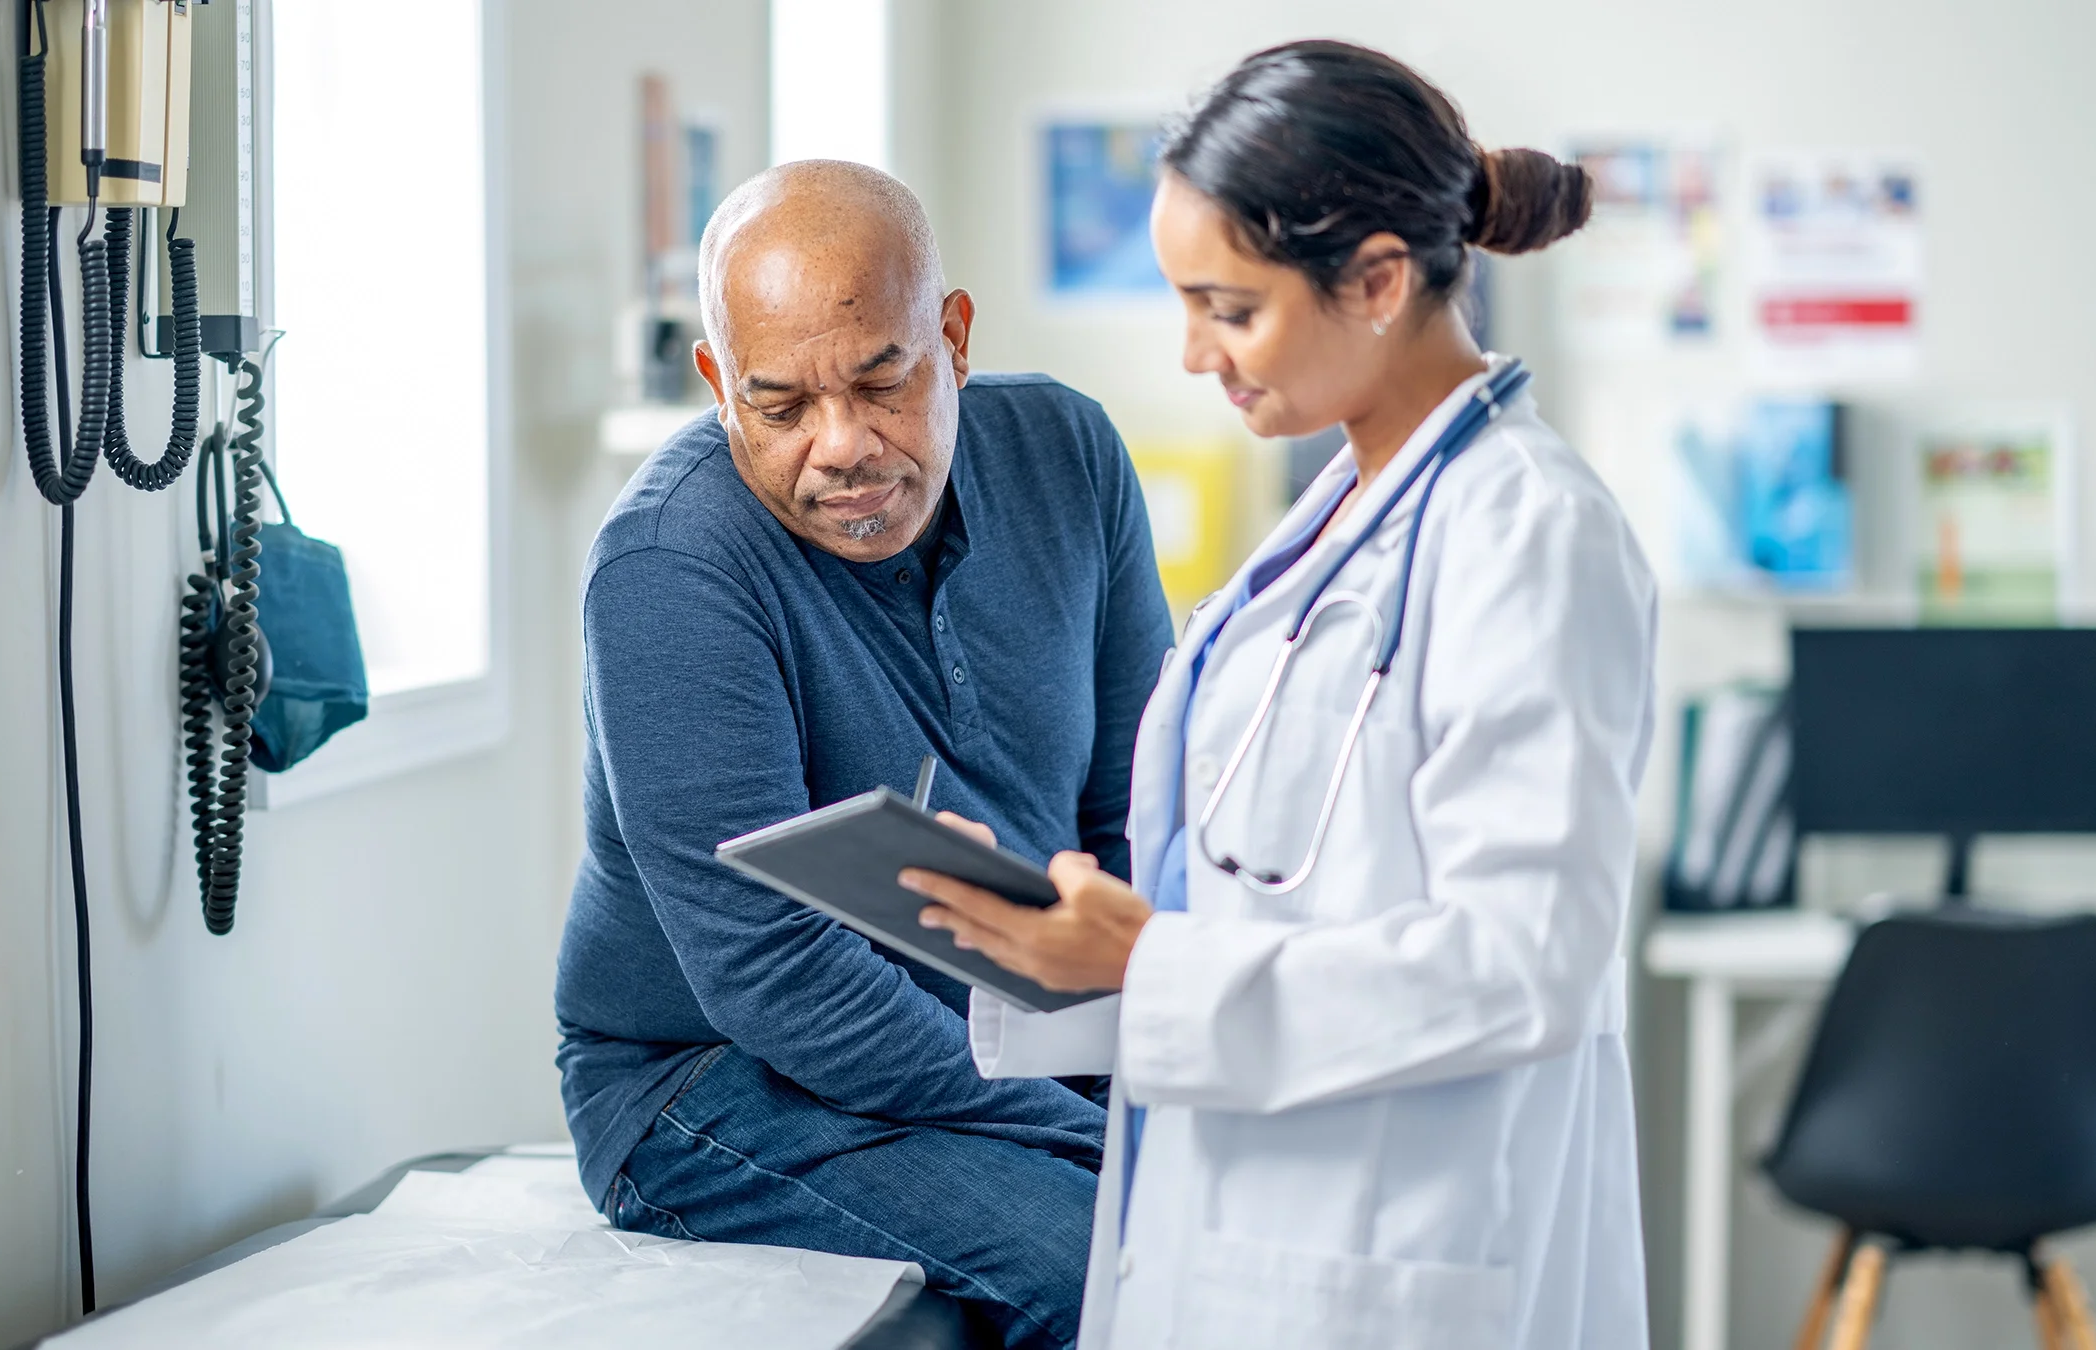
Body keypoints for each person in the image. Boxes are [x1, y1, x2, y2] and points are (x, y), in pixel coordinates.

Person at [901, 41, 1656, 1350]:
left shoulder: (1529, 531)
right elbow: (1258, 900)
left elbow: (1525, 959)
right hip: (1246, 1227)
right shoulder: (1335, 522)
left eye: (1229, 308)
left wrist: (1152, 962)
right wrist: (1051, 942)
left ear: (1374, 278)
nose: (1195, 352)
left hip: (1405, 1256)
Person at [553, 160, 1172, 1350]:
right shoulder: (671, 570)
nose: (841, 447)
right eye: (779, 407)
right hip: (711, 1081)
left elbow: (1137, 816)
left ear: (953, 335)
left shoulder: (1070, 456)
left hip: (1017, 1037)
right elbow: (770, 969)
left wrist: (1146, 1067)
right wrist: (1075, 1128)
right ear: (718, 385)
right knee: (1125, 1275)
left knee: (1240, 1231)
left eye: (884, 382)